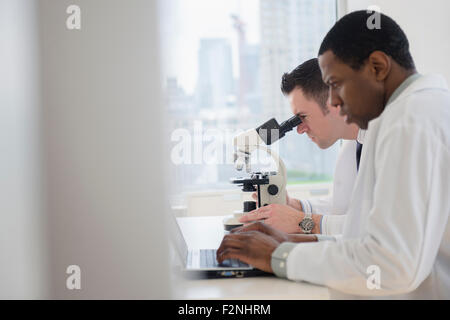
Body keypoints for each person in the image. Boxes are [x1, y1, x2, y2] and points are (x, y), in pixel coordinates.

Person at [217, 10, 450, 299]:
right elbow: (363, 236)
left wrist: (281, 255)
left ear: (377, 67)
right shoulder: (405, 115)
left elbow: (389, 266)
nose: (334, 102)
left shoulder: (410, 121)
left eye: (335, 85)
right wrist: (294, 240)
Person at [240, 58, 362, 236]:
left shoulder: (391, 142)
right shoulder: (353, 143)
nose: (299, 129)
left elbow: (378, 228)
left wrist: (302, 222)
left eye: (302, 116)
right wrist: (296, 206)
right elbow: (344, 206)